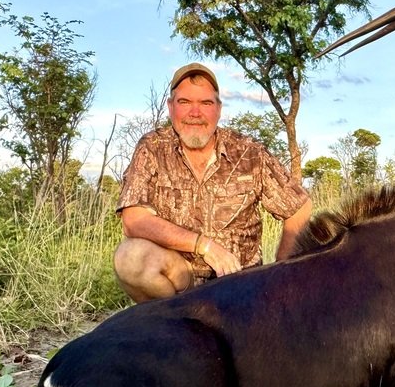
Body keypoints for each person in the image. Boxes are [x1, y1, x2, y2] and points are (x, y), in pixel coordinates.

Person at [114, 62, 312, 302]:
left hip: (240, 284)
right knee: (130, 258)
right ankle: (173, 325)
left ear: (218, 109)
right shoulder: (152, 148)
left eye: (206, 103)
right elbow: (134, 221)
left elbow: (299, 208)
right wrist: (203, 245)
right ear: (170, 107)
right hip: (180, 282)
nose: (194, 113)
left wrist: (282, 273)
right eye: (184, 102)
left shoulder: (249, 152)